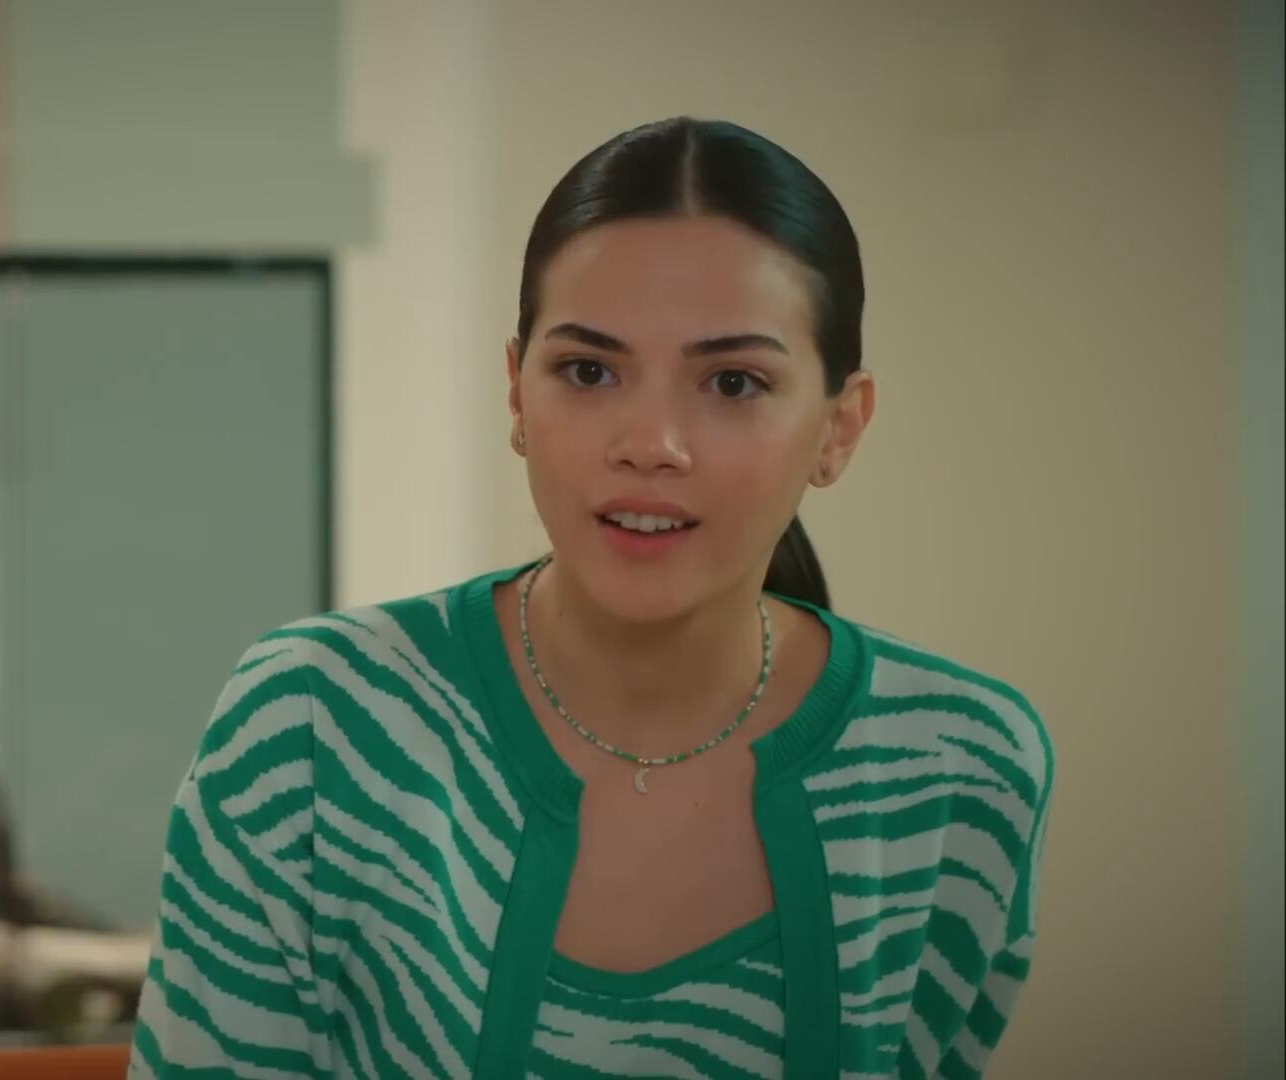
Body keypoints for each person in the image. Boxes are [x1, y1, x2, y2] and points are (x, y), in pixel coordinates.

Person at [129, 117, 1055, 1079]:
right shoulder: (316, 722)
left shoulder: (963, 765)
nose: (650, 443)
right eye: (588, 370)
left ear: (839, 428)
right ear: (517, 396)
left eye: (734, 382)